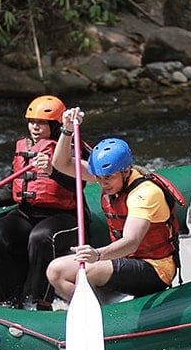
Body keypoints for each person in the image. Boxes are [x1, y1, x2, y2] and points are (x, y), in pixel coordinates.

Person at [45, 109, 181, 302]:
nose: (102, 183)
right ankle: (99, 310)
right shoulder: (108, 176)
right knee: (55, 271)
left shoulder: (144, 194)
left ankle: (102, 313)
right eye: (98, 178)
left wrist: (97, 254)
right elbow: (61, 164)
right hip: (126, 260)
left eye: (108, 178)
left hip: (156, 268)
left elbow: (131, 242)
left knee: (87, 271)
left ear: (126, 171)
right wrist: (67, 130)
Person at [0, 95, 80, 309]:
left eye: (42, 123)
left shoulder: (70, 146)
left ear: (55, 125)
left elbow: (78, 185)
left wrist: (52, 170)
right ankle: (7, 301)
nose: (35, 127)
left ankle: (40, 301)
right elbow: (14, 188)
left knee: (41, 237)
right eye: (32, 122)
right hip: (27, 213)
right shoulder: (25, 147)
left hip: (64, 216)